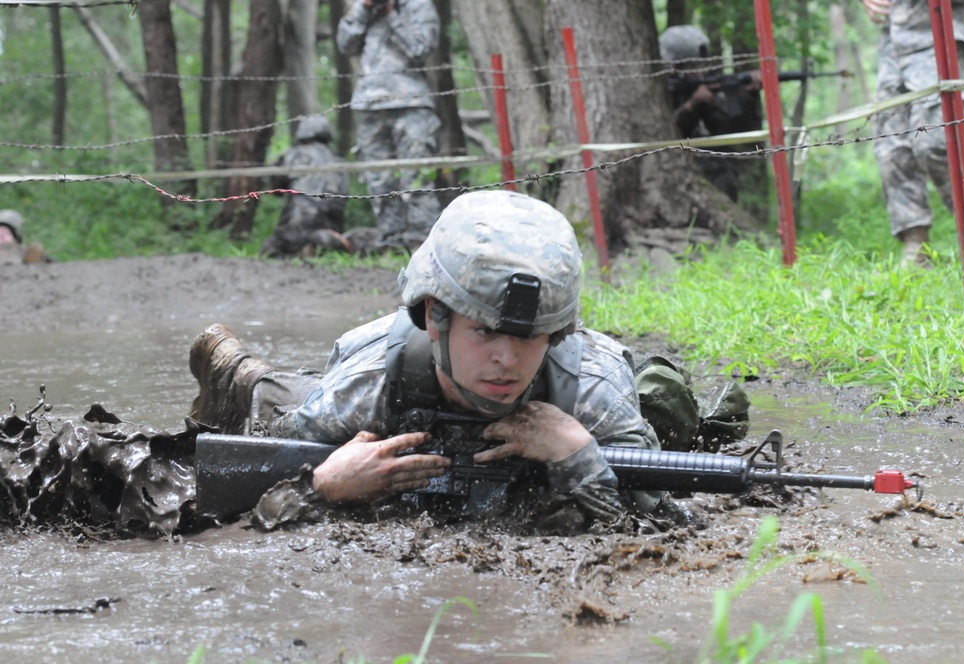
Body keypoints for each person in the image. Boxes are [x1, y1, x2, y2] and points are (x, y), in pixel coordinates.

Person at [189, 190, 662, 522]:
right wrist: (321, 485)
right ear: (436, 317)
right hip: (347, 392)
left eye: (531, 337)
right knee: (270, 397)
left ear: (556, 333)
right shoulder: (367, 383)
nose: (508, 360)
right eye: (484, 332)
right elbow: (243, 496)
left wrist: (578, 456)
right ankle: (235, 370)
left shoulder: (594, 392)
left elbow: (664, 524)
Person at [861, 0, 964, 267]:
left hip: (938, 32)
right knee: (892, 146)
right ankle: (916, 245)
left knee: (935, 141)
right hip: (894, 41)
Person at [336, 0, 443, 253]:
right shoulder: (362, 8)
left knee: (416, 178)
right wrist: (364, 8)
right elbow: (345, 44)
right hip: (369, 105)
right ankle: (390, 244)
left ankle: (425, 246)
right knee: (378, 182)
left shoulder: (418, 6)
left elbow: (420, 47)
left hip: (412, 105)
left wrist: (391, 13)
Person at [659, 25, 766, 205]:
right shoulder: (661, 91)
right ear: (673, 66)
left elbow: (731, 130)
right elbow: (664, 133)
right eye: (692, 65)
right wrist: (691, 104)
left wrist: (747, 96)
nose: (699, 71)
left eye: (700, 64)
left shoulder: (707, 84)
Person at [259, 116, 351, 259]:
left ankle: (298, 253)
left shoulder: (292, 155)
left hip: (295, 226)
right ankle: (310, 251)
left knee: (267, 253)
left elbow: (275, 188)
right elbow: (344, 195)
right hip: (331, 230)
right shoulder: (339, 162)